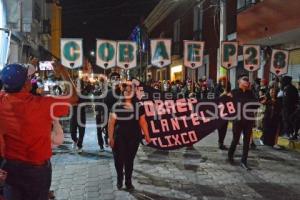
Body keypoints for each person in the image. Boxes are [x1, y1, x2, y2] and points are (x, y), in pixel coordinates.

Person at [0, 63, 77, 200]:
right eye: (29, 78)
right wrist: (64, 73)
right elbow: (74, 98)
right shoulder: (43, 105)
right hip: (36, 170)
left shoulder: (2, 101)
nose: (32, 80)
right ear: (25, 84)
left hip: (10, 168)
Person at [108, 82, 151, 191]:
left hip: (134, 137)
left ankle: (128, 181)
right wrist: (110, 137)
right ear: (123, 92)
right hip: (119, 137)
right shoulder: (116, 106)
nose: (128, 93)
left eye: (130, 91)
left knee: (129, 160)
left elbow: (143, 122)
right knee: (118, 159)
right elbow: (111, 123)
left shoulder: (138, 106)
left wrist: (147, 135)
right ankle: (119, 178)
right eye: (126, 91)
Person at [228, 74, 260, 170]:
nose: (246, 81)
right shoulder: (234, 92)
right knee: (236, 139)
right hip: (237, 120)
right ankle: (230, 154)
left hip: (248, 120)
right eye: (244, 80)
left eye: (247, 80)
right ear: (239, 82)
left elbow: (256, 104)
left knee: (247, 141)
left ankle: (244, 161)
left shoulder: (251, 93)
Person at [281, 76, 299, 140]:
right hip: (287, 107)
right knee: (286, 120)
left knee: (288, 120)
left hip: (289, 108)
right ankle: (288, 133)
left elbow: (293, 99)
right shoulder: (287, 88)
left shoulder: (290, 88)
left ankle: (290, 134)